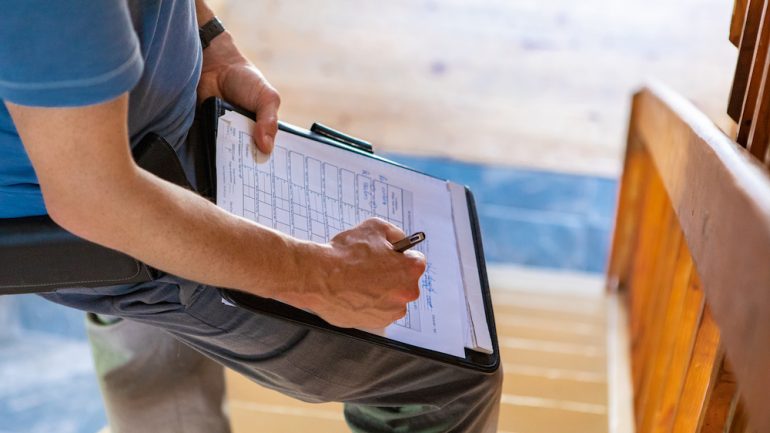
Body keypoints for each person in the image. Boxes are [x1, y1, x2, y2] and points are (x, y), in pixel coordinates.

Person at [0, 1, 502, 432]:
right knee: (447, 381)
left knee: (158, 334)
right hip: (111, 214)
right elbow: (96, 199)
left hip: (161, 147)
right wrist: (320, 276)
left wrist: (212, 43)